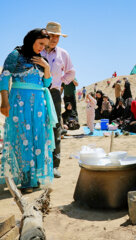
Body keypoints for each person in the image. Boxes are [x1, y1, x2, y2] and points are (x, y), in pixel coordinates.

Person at [0, 28, 56, 193]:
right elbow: (4, 78)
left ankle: (36, 177)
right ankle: (26, 180)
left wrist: (46, 68)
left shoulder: (41, 59)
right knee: (22, 139)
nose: (42, 48)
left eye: (45, 45)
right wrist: (4, 102)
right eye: (40, 43)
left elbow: (46, 84)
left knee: (38, 138)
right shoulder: (15, 55)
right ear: (31, 40)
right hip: (19, 103)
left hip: (39, 105)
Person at [41, 22, 75, 178]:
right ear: (45, 35)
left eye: (57, 36)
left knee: (55, 127)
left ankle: (55, 165)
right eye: (52, 35)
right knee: (38, 126)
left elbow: (71, 73)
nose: (54, 39)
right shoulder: (36, 51)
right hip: (37, 93)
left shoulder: (63, 54)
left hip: (53, 93)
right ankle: (40, 163)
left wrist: (60, 84)